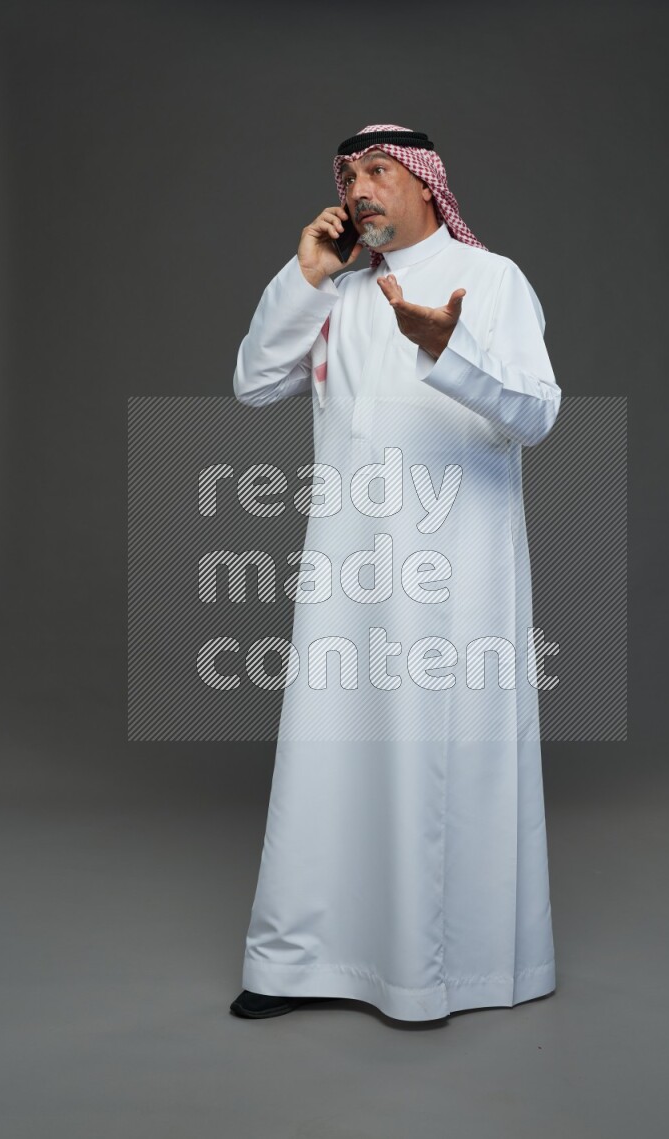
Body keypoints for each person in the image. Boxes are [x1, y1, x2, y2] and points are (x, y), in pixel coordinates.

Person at [229, 124, 561, 1022]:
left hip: (458, 576)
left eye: (379, 172)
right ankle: (301, 963)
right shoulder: (335, 293)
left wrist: (447, 348)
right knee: (330, 755)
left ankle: (447, 972)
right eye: (348, 177)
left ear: (426, 184)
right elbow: (256, 382)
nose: (360, 189)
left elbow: (536, 412)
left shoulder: (491, 281)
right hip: (350, 570)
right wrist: (303, 276)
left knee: (441, 758)